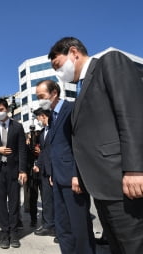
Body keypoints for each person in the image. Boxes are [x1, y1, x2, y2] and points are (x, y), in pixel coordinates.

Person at [48, 36, 143, 254]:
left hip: (128, 182)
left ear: (74, 52)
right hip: (105, 189)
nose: (58, 73)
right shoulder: (80, 92)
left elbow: (132, 114)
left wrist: (135, 168)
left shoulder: (110, 63)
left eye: (58, 65)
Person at [35, 79, 95, 253]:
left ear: (54, 93)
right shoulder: (52, 116)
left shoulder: (71, 109)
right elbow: (55, 147)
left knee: (79, 225)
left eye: (42, 96)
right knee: (62, 225)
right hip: (57, 179)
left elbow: (80, 145)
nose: (40, 100)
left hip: (73, 178)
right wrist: (52, 172)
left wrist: (78, 174)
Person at [0, 97, 27, 249]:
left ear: (7, 109)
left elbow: (22, 149)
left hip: (14, 169)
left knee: (14, 202)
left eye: (1, 110)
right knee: (0, 203)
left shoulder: (17, 126)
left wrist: (23, 170)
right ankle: (4, 233)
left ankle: (14, 233)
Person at [32, 108, 57, 240]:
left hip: (55, 171)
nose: (37, 120)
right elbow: (42, 152)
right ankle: (48, 225)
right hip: (44, 171)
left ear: (43, 116)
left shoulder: (55, 129)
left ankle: (58, 228)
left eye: (38, 118)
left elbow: (56, 152)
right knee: (46, 200)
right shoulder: (42, 133)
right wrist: (38, 165)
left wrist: (53, 171)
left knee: (58, 201)